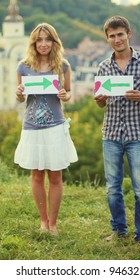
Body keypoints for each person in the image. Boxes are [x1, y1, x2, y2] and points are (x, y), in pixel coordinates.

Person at [94, 15, 140, 242]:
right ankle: (119, 230)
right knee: (113, 188)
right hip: (111, 134)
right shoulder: (103, 66)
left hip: (136, 134)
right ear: (107, 38)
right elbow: (101, 102)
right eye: (112, 36)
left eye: (120, 34)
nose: (117, 39)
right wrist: (100, 99)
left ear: (128, 34)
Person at [14, 23, 78, 236]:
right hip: (32, 127)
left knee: (56, 176)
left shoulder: (63, 66)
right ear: (34, 42)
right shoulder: (23, 66)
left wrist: (64, 95)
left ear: (54, 42)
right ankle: (43, 221)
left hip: (55, 126)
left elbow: (68, 92)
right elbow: (20, 98)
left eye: (47, 39)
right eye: (39, 40)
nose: (43, 44)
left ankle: (53, 224)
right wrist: (19, 92)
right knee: (37, 176)